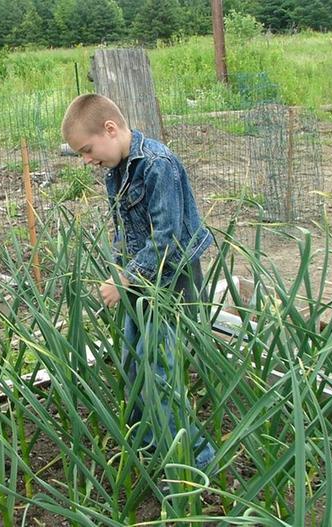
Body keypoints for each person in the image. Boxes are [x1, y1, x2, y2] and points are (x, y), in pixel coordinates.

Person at [61, 93, 215, 472]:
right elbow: (126, 229)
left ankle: (196, 461)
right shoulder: (115, 168)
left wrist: (126, 278)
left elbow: (168, 238)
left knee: (156, 368)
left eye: (86, 149)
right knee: (132, 360)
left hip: (173, 278)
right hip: (142, 277)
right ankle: (151, 442)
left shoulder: (157, 165)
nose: (86, 160)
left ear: (110, 129)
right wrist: (120, 270)